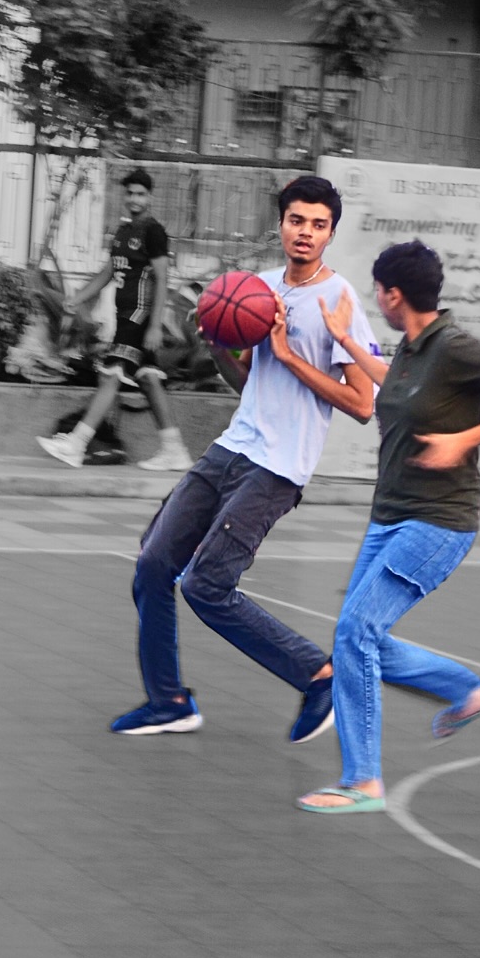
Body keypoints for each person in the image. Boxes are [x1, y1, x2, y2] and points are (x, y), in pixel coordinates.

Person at [110, 175, 379, 739]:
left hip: (278, 468)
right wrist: (215, 346)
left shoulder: (339, 301)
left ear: (331, 232)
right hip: (231, 448)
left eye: (318, 224)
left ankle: (320, 675)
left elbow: (362, 403)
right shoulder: (257, 287)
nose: (305, 233)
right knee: (153, 565)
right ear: (280, 223)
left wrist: (286, 352)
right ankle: (169, 701)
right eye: (296, 220)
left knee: (207, 586)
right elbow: (253, 382)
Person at [298, 241, 480, 813]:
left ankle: (362, 782)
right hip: (391, 518)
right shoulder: (412, 349)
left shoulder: (455, 347)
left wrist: (464, 439)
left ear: (393, 294)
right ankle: (466, 691)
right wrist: (347, 339)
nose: (376, 300)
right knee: (360, 638)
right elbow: (397, 386)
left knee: (356, 632)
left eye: (378, 292)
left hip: (438, 522)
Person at [35, 167, 194, 471]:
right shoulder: (122, 233)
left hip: (140, 316)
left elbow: (162, 279)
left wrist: (155, 324)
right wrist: (77, 298)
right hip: (124, 317)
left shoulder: (153, 232)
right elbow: (107, 273)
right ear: (124, 196)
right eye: (130, 193)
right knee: (148, 379)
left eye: (140, 194)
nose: (134, 199)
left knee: (110, 374)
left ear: (150, 197)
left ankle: (76, 443)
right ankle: (175, 451)